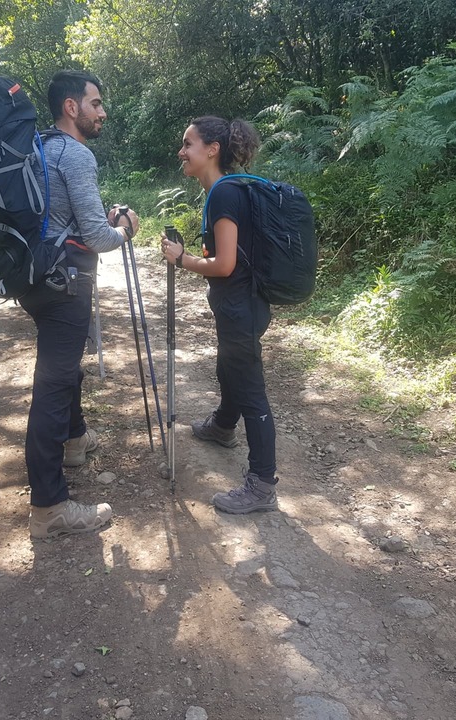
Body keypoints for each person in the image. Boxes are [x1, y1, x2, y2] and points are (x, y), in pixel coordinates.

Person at [21, 70, 139, 539]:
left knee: (64, 369)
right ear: (72, 107)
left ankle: (73, 441)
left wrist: (99, 221)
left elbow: (65, 216)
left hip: (33, 276)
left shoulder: (39, 147)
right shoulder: (75, 153)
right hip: (64, 283)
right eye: (95, 103)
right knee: (52, 386)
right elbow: (96, 236)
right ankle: (49, 507)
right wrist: (125, 227)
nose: (101, 111)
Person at [161, 116, 278, 514]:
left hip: (241, 306)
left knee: (250, 388)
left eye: (188, 143)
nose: (182, 151)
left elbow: (225, 264)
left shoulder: (225, 195)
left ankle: (262, 484)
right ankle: (223, 426)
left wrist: (183, 259)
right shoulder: (224, 191)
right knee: (228, 366)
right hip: (240, 304)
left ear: (212, 150)